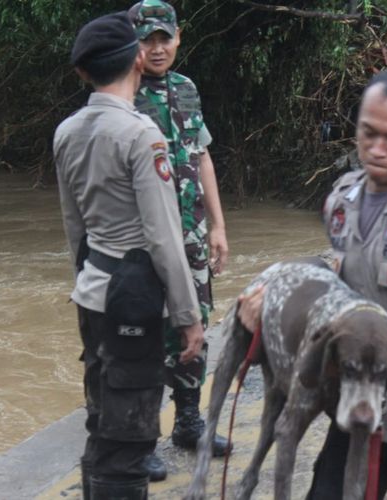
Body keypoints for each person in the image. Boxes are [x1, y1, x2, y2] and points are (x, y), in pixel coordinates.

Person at [238, 69, 387, 499]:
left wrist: (378, 368)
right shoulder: (343, 198)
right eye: (367, 133)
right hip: (355, 409)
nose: (377, 149)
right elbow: (339, 276)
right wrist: (271, 299)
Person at [54, 12, 205, 499]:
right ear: (139, 59)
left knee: (102, 422)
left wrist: (84, 283)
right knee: (131, 439)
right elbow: (163, 238)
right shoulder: (142, 136)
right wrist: (188, 316)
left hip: (92, 289)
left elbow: (73, 224)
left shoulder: (67, 131)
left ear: (83, 72)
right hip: (134, 302)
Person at [127, 0, 231, 480]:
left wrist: (218, 225)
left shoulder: (186, 89)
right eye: (146, 38)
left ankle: (188, 422)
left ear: (178, 37)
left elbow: (202, 155)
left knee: (195, 323)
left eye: (163, 37)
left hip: (190, 232)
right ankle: (141, 437)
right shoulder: (121, 91)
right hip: (144, 236)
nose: (156, 48)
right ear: (133, 41)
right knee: (145, 330)